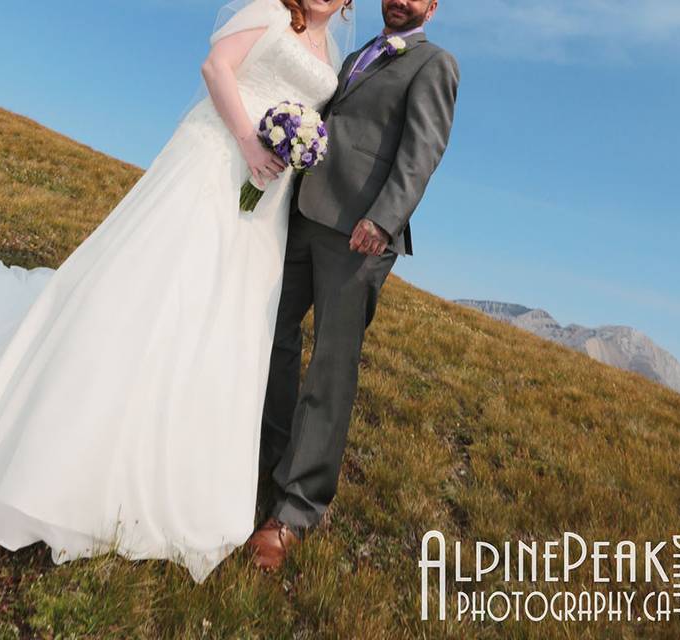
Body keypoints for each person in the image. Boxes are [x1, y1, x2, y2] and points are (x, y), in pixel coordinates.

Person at [0, 0, 353, 584]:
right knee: (159, 290)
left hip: (266, 199)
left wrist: (287, 152)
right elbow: (216, 68)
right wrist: (248, 141)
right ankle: (66, 456)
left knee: (224, 317)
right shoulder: (268, 10)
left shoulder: (332, 52)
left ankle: (180, 469)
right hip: (219, 162)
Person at [248, 0, 460, 571]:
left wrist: (384, 218)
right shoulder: (360, 54)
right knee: (273, 337)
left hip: (361, 234)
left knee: (330, 370)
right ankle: (265, 466)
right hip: (304, 213)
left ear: (432, 8)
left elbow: (422, 153)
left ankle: (295, 510)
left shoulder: (434, 63)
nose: (400, 0)